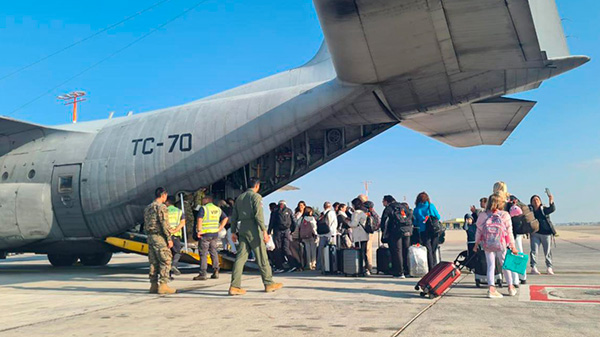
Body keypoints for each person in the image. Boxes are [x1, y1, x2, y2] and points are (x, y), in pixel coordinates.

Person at [228, 178, 282, 296]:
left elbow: (234, 216)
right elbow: (258, 215)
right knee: (262, 257)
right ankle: (268, 283)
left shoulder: (240, 198)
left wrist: (233, 232)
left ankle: (234, 286)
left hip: (242, 228)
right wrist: (264, 230)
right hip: (254, 228)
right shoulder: (256, 197)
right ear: (257, 186)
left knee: (240, 258)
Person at [473, 193, 518, 299]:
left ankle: (491, 289)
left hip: (487, 244)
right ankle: (511, 287)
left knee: (491, 265)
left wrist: (476, 244)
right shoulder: (505, 215)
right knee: (505, 265)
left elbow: (478, 232)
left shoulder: (483, 215)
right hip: (501, 244)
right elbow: (509, 232)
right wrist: (512, 246)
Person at [143, 187, 176, 294]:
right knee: (166, 259)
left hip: (150, 236)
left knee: (153, 261)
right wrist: (169, 239)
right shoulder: (161, 207)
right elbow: (164, 224)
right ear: (163, 195)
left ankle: (153, 285)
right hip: (159, 236)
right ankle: (163, 285)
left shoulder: (148, 207)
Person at [193, 195, 229, 281]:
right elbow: (225, 218)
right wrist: (220, 228)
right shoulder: (217, 209)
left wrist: (199, 230)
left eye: (203, 199)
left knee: (203, 253)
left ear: (207, 199)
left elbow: (199, 219)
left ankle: (203, 273)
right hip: (214, 234)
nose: (202, 200)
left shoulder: (204, 208)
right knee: (213, 252)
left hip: (205, 234)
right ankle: (216, 270)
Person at [381, 195, 412, 278]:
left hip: (396, 232)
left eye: (383, 201)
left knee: (397, 251)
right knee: (406, 250)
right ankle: (407, 270)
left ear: (386, 201)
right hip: (407, 231)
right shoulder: (403, 206)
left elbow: (384, 221)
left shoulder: (389, 208)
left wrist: (384, 232)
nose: (382, 203)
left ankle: (399, 272)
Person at [413, 192, 442, 270]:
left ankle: (431, 268)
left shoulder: (416, 209)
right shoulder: (430, 206)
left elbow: (415, 222)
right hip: (434, 230)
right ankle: (435, 267)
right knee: (433, 249)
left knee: (428, 250)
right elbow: (438, 216)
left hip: (423, 231)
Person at [530, 193, 557, 275]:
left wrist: (551, 199)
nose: (535, 201)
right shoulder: (530, 210)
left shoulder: (544, 209)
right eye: (534, 200)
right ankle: (533, 267)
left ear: (540, 201)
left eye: (537, 200)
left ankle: (549, 267)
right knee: (534, 251)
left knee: (547, 251)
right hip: (535, 233)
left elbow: (552, 209)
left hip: (546, 233)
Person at [268, 200, 295, 273]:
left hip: (277, 231)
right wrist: (291, 230)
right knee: (286, 248)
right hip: (287, 231)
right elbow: (293, 221)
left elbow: (272, 222)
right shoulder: (289, 210)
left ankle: (280, 267)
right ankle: (292, 265)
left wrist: (268, 231)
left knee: (278, 249)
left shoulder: (275, 211)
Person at [349, 198, 371, 275]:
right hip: (364, 235)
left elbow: (354, 224)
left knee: (360, 253)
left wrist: (347, 221)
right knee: (364, 253)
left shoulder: (356, 213)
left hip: (359, 236)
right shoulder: (363, 212)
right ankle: (367, 269)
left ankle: (361, 268)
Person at [165, 196, 185, 277]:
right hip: (176, 235)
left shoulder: (164, 211)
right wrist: (175, 230)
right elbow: (183, 222)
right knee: (177, 252)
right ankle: (174, 265)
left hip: (166, 235)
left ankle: (168, 275)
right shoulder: (179, 211)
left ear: (167, 202)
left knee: (167, 255)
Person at [358, 195, 377, 274]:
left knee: (365, 250)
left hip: (364, 231)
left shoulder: (361, 209)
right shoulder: (371, 209)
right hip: (370, 230)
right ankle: (369, 266)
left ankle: (366, 267)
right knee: (368, 249)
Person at [316, 201, 337, 271]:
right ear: (330, 206)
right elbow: (333, 223)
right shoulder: (332, 213)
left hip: (322, 234)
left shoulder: (322, 213)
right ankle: (331, 265)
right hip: (330, 234)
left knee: (321, 250)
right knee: (331, 250)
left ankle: (320, 265)